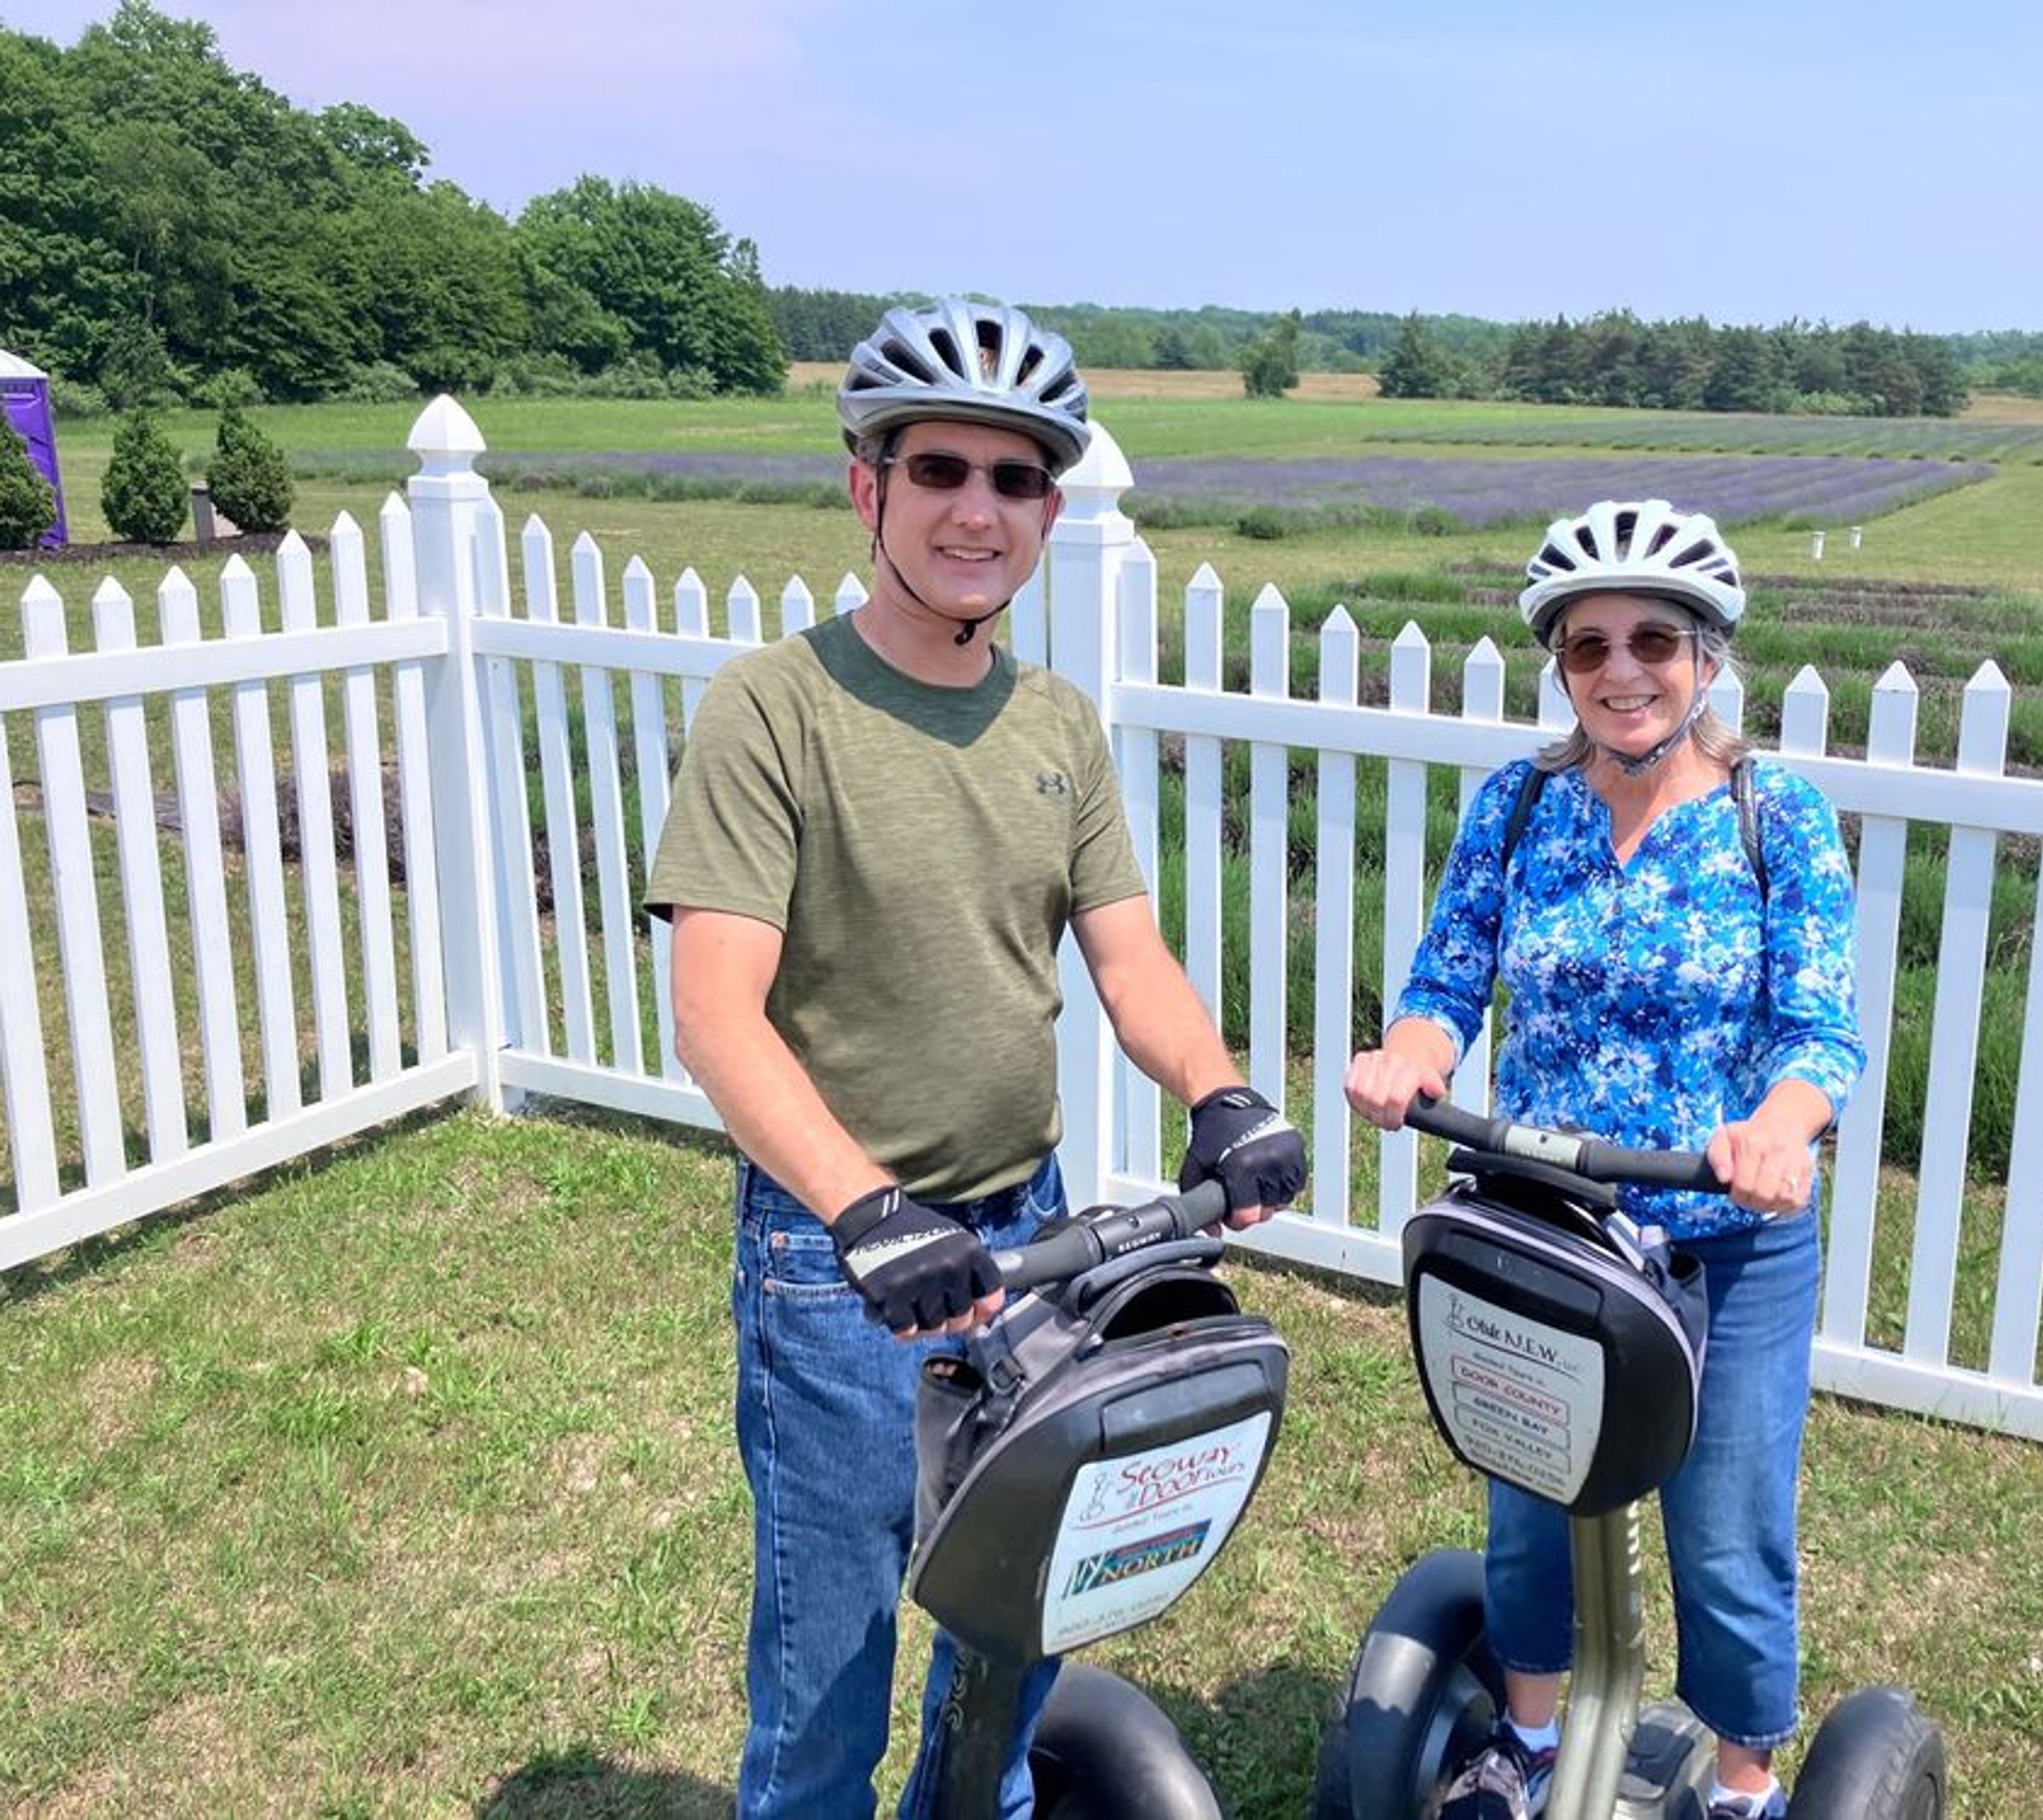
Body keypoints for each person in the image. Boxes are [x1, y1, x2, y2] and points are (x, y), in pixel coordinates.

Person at [644, 298, 1307, 1820]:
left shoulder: (1057, 723)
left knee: (1016, 1613)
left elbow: (1128, 962)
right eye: (939, 468)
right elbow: (717, 1015)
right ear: (866, 487)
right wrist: (865, 1210)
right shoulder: (776, 709)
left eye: (1015, 480)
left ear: (1048, 511)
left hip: (1036, 1231)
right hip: (841, 1265)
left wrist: (1221, 1092)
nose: (976, 509)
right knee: (834, 1657)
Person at [1342, 499, 1862, 1820]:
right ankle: (1523, 1745)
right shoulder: (1520, 807)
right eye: (1588, 648)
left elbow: (1820, 1026)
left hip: (1719, 1238)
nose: (1622, 671)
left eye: (1651, 641)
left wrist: (1779, 1130)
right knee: (1529, 1496)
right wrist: (1413, 1054)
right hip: (1546, 1226)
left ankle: (1743, 1779)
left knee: (1726, 1527)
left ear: (1706, 658)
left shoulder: (1775, 815)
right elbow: (1446, 977)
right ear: (1559, 667)